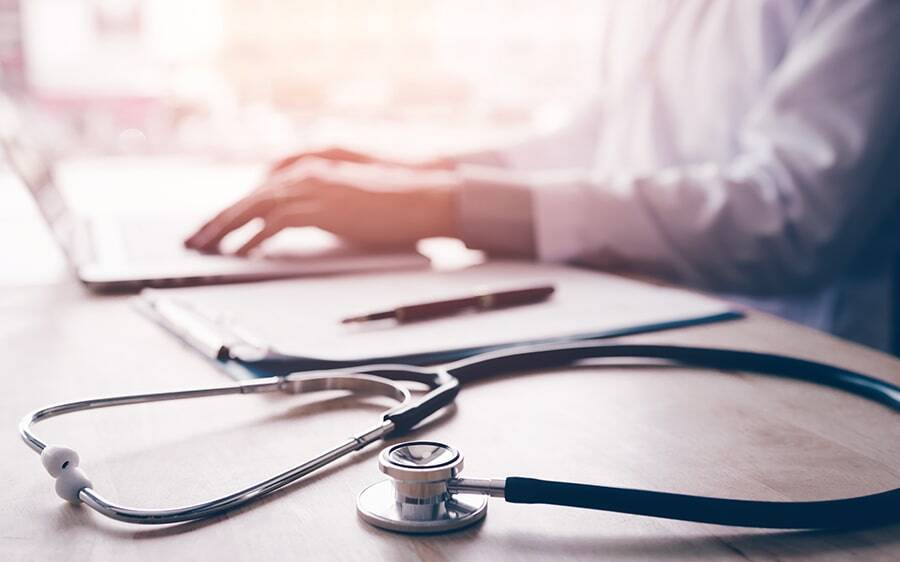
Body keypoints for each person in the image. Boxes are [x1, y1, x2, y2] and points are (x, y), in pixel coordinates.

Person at [186, 1, 900, 351]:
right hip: (633, 333)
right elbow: (601, 136)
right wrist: (413, 175)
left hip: (793, 364)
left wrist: (445, 207)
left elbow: (789, 217)